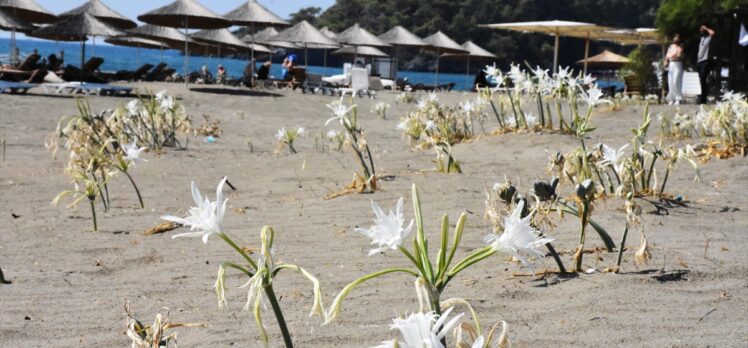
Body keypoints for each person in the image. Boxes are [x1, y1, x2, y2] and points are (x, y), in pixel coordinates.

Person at [697, 24, 716, 104]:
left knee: (704, 78)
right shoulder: (702, 38)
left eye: (702, 29)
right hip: (699, 61)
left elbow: (713, 33)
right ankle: (702, 98)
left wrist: (706, 28)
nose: (701, 30)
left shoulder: (709, 38)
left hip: (706, 61)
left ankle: (703, 99)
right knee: (702, 80)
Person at [665, 34, 684, 105]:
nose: (676, 39)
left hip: (677, 63)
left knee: (676, 81)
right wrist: (666, 60)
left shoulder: (680, 46)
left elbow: (677, 54)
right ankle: (671, 98)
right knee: (671, 82)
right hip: (671, 63)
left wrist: (671, 55)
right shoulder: (671, 46)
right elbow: (667, 55)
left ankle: (678, 98)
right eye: (675, 37)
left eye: (677, 38)